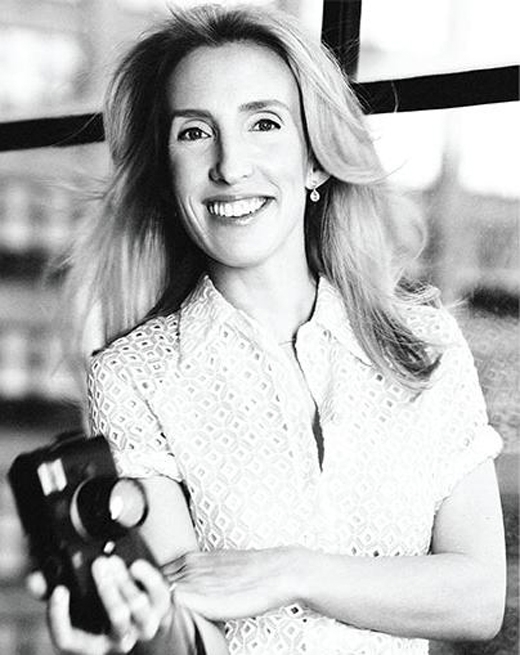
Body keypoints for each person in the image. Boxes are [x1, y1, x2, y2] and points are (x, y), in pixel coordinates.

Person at [36, 4, 506, 655]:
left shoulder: (424, 344)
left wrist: (290, 572)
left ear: (315, 162)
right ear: (168, 175)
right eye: (194, 133)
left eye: (264, 123)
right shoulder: (133, 375)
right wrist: (133, 624)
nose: (230, 166)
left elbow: (478, 599)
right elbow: (188, 632)